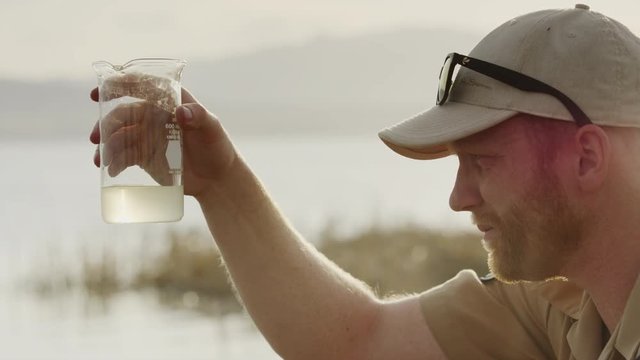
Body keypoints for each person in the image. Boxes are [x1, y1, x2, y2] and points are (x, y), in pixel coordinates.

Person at [90, 4, 640, 359]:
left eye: (483, 163)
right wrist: (220, 181)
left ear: (587, 158)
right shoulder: (562, 302)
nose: (457, 198)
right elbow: (352, 343)